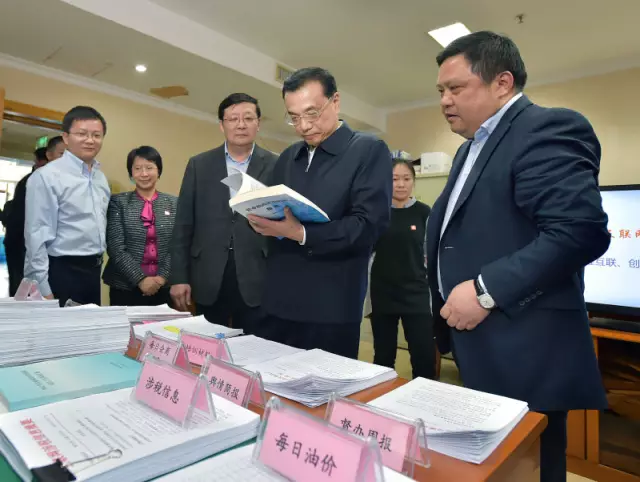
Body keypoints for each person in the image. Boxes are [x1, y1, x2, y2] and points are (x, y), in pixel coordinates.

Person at [426, 31, 610, 481]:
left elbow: (579, 231)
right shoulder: (469, 149)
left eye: (456, 88)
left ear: (502, 83)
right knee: (499, 467)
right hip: (479, 340)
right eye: (441, 91)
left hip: (524, 343)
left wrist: (485, 290)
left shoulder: (545, 128)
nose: (445, 101)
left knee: (531, 467)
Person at [248, 67, 392, 359]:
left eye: (312, 113)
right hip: (278, 300)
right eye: (294, 117)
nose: (303, 126)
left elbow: (368, 227)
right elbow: (278, 216)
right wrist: (261, 218)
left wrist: (301, 233)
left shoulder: (368, 150)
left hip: (330, 306)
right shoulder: (289, 156)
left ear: (335, 101)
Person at [170, 93, 277, 334]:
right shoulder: (199, 164)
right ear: (222, 125)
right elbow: (183, 224)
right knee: (207, 343)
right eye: (233, 119)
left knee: (254, 345)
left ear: (258, 123)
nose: (241, 124)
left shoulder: (276, 164)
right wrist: (179, 277)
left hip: (257, 273)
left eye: (248, 118)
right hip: (207, 272)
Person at [25, 106, 110, 306]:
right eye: (82, 134)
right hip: (61, 271)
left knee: (90, 326)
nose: (90, 140)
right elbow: (36, 236)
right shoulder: (47, 176)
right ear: (65, 137)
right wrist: (43, 288)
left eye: (96, 135)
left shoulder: (100, 178)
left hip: (93, 270)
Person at [369, 158, 435, 379]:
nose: (400, 184)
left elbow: (431, 253)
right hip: (383, 292)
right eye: (394, 179)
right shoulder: (377, 213)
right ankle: (380, 397)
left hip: (416, 293)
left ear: (413, 181)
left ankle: (424, 396)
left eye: (406, 179)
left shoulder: (424, 212)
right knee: (383, 356)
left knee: (423, 355)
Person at [103, 146, 177, 306]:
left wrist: (162, 277)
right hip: (123, 287)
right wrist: (140, 279)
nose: (144, 174)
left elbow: (178, 245)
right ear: (131, 173)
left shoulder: (174, 203)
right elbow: (115, 247)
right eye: (137, 168)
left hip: (163, 286)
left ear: (159, 171)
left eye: (149, 168)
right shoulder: (118, 202)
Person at [4, 137, 65, 296]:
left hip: (45, 250)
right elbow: (24, 221)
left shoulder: (63, 182)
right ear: (47, 157)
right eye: (62, 154)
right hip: (22, 244)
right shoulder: (34, 180)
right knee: (24, 289)